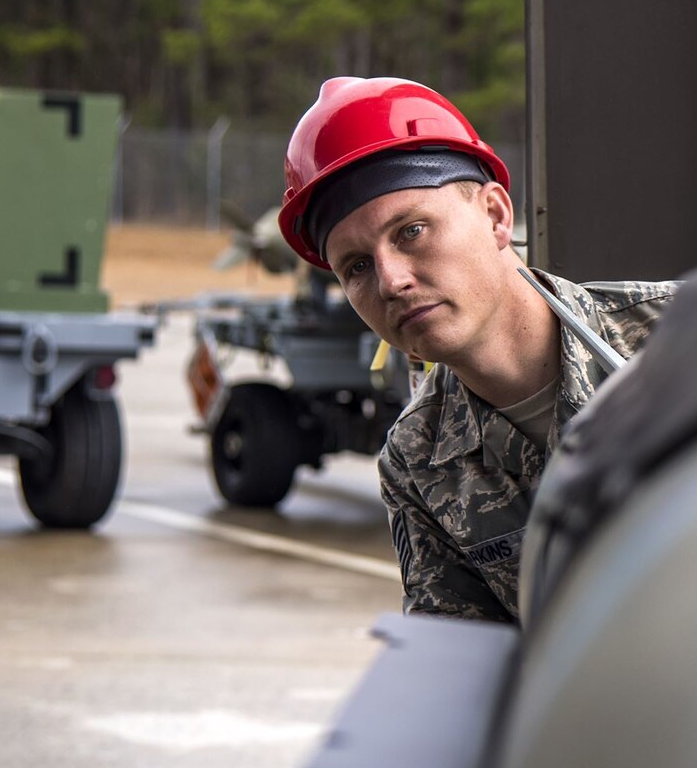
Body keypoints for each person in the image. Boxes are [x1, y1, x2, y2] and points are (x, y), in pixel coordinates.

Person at [277, 77, 674, 623]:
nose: (391, 281)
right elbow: (460, 665)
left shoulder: (683, 332)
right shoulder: (417, 461)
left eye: (412, 231)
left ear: (495, 216)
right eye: (357, 267)